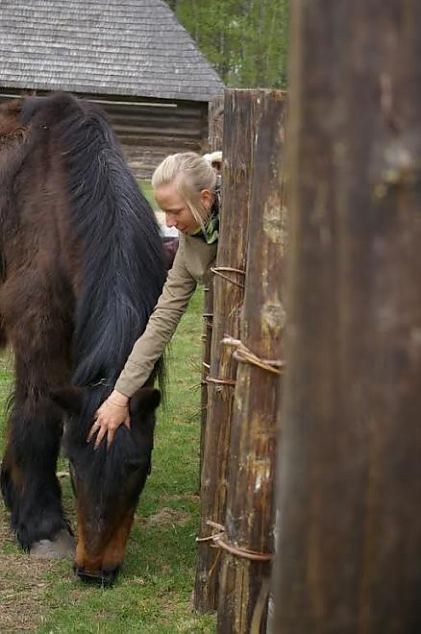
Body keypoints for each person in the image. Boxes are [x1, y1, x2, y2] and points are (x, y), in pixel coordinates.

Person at [88, 151, 220, 448]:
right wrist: (120, 395)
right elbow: (161, 321)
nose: (170, 223)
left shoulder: (252, 212)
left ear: (206, 198)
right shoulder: (190, 245)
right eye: (165, 212)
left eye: (175, 211)